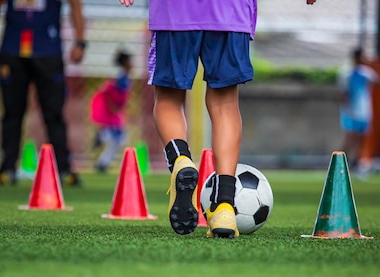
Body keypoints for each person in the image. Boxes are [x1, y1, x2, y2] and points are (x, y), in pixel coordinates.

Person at [119, 0, 317, 238]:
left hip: (176, 10)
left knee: (168, 99)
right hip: (230, 11)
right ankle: (224, 206)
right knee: (225, 104)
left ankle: (181, 159)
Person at [0, 0, 86, 186]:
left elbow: (75, 4)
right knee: (12, 113)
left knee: (54, 114)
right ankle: (7, 168)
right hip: (12, 51)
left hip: (48, 52)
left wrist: (80, 42)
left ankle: (63, 169)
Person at [90, 50, 133, 173]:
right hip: (110, 112)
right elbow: (110, 92)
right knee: (118, 139)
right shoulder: (120, 77)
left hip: (114, 111)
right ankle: (101, 139)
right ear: (125, 62)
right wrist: (113, 107)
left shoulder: (123, 77)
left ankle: (102, 163)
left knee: (118, 140)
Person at [337, 48, 380, 169]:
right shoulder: (346, 72)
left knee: (361, 139)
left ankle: (357, 163)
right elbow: (342, 93)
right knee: (350, 139)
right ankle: (340, 163)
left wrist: (374, 66)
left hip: (364, 111)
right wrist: (347, 108)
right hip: (350, 111)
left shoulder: (367, 72)